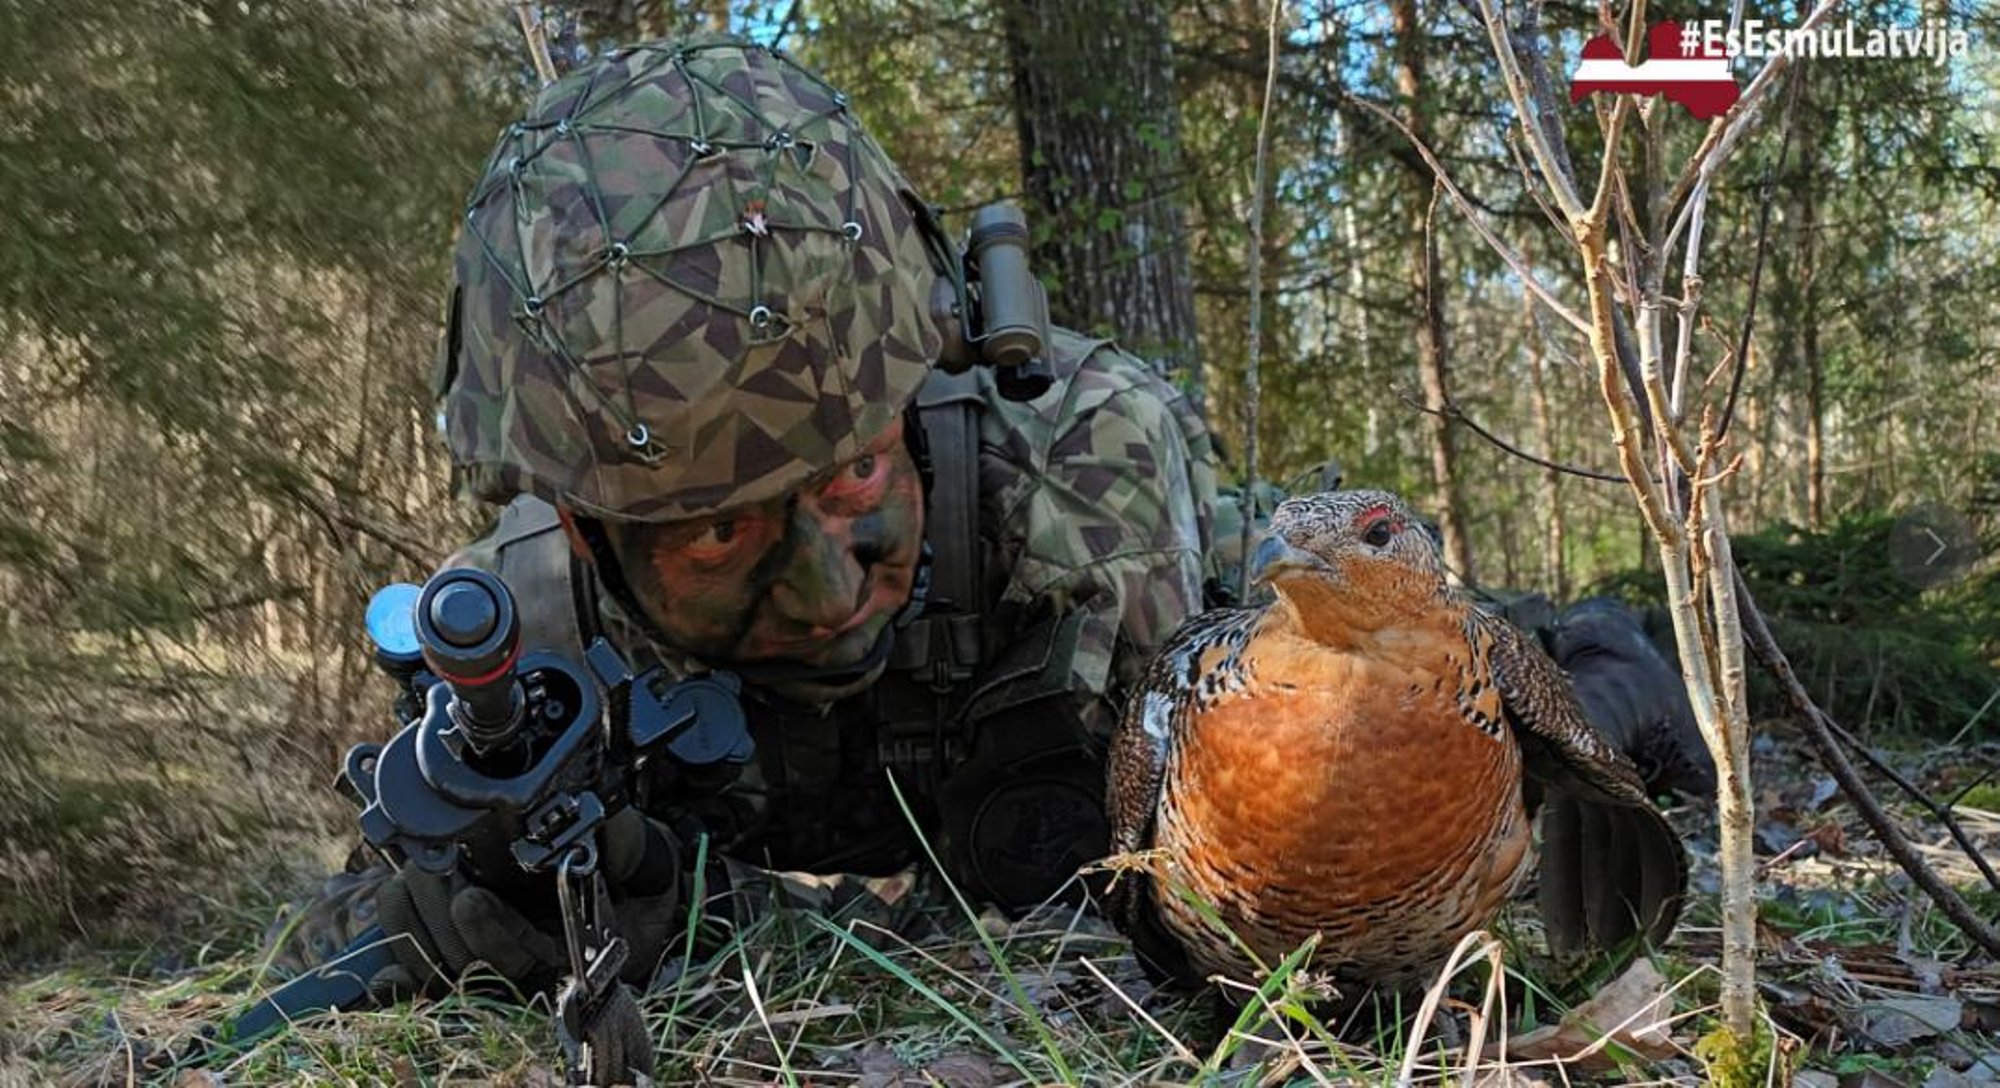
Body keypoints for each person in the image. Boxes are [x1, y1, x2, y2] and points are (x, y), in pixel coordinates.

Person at [274, 32, 1219, 1025]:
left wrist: (719, 926)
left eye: (855, 473)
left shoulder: (1086, 474)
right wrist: (469, 929)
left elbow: (1206, 907)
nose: (828, 593)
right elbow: (338, 930)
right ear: (582, 530)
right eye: (716, 534)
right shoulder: (527, 644)